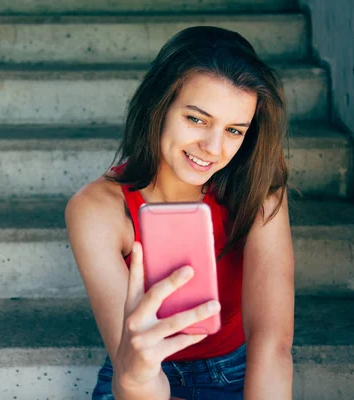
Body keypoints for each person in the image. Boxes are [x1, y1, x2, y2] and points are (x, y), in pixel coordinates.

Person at [65, 26, 295, 400]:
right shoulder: (97, 209)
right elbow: (134, 371)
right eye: (197, 119)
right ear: (159, 106)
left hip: (237, 371)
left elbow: (272, 343)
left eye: (234, 130)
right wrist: (136, 376)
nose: (213, 148)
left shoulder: (260, 192)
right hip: (142, 374)